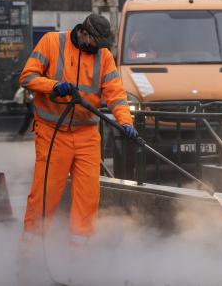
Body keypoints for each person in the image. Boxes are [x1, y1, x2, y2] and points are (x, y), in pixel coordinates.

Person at [18, 14, 136, 252]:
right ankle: (30, 250)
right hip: (52, 132)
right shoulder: (51, 42)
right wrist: (53, 85)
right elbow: (27, 77)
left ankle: (79, 252)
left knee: (88, 196)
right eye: (95, 43)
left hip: (86, 134)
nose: (98, 49)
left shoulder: (103, 56)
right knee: (45, 194)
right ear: (84, 33)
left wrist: (126, 123)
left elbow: (115, 94)